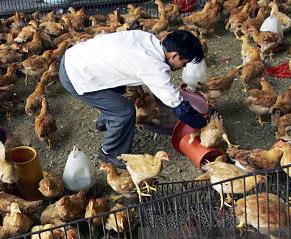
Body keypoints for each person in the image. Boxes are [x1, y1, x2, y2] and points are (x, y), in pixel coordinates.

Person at [59, 29, 207, 167]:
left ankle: (106, 121)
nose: (183, 67)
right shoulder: (153, 66)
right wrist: (203, 124)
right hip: (76, 75)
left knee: (120, 93)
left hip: (76, 57)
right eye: (184, 63)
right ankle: (111, 152)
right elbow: (178, 105)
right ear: (174, 55)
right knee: (124, 111)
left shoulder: (146, 38)